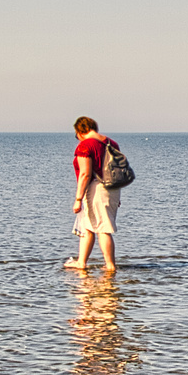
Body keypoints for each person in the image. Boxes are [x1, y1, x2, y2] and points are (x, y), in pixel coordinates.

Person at [66, 116, 121, 272]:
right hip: (113, 188)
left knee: (103, 228)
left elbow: (85, 174)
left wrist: (78, 199)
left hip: (96, 189)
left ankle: (110, 266)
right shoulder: (112, 143)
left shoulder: (85, 146)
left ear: (80, 131)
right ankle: (81, 262)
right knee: (88, 226)